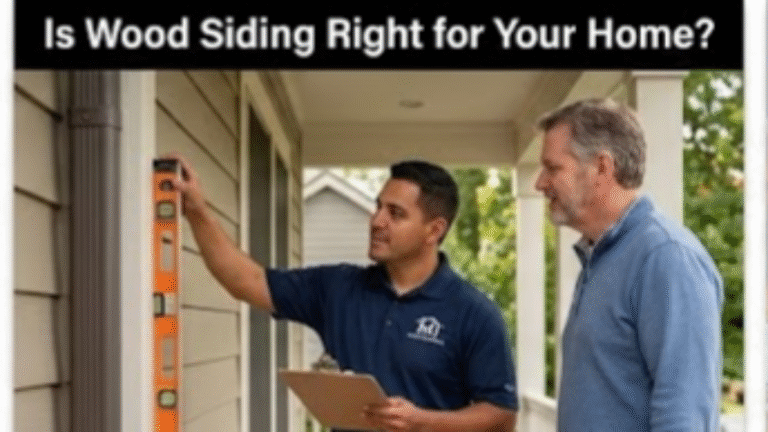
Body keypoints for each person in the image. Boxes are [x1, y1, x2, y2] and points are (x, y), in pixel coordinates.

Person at [170, 155, 518, 432]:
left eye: (395, 213)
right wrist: (197, 211)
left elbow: (501, 416)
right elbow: (247, 281)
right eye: (378, 206)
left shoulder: (474, 312)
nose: (377, 220)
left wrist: (422, 422)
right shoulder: (338, 288)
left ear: (434, 230)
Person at [534, 98, 723, 431]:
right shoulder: (599, 256)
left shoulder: (666, 257)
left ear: (602, 168)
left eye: (553, 168)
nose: (539, 183)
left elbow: (684, 413)